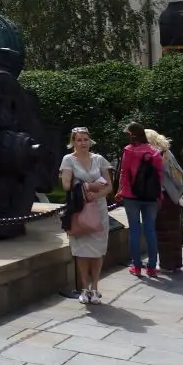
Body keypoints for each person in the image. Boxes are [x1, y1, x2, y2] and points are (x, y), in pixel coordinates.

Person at [59, 127, 113, 304]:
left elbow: (109, 187)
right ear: (73, 142)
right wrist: (86, 187)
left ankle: (95, 288)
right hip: (79, 210)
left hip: (98, 210)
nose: (83, 143)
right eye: (79, 140)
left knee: (97, 251)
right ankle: (84, 288)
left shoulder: (99, 160)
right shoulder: (68, 159)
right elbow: (66, 186)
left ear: (90, 141)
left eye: (85, 139)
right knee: (81, 251)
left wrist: (96, 194)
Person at [117, 122, 163, 277]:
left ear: (132, 134)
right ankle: (151, 267)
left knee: (135, 231)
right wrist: (159, 196)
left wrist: (121, 191)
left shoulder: (129, 151)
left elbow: (124, 173)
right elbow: (159, 176)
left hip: (131, 196)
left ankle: (136, 266)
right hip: (151, 197)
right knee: (150, 231)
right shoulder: (155, 152)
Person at [145, 130, 183, 273]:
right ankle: (175, 263)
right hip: (171, 197)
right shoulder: (167, 153)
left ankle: (166, 265)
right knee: (174, 231)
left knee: (162, 231)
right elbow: (180, 177)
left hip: (161, 196)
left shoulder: (155, 155)